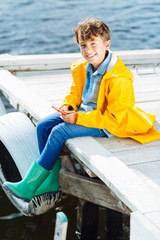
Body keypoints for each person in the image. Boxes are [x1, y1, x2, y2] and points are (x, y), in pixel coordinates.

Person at [3, 18, 160, 202]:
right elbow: (75, 95)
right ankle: (51, 181)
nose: (88, 50)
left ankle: (29, 185)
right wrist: (68, 107)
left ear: (107, 44)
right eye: (83, 45)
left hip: (106, 123)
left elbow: (114, 117)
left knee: (59, 132)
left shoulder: (120, 78)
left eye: (94, 44)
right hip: (84, 113)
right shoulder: (82, 67)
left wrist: (78, 118)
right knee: (44, 126)